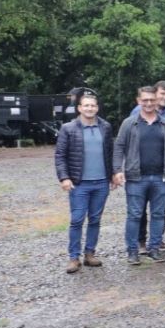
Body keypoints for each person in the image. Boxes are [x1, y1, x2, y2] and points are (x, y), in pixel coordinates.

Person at [113, 85, 165, 265]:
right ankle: (132, 251)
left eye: (152, 100)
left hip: (161, 178)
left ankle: (154, 248)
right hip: (136, 178)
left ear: (156, 100)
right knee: (134, 215)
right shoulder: (129, 123)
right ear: (138, 101)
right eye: (145, 100)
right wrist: (117, 170)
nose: (149, 103)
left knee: (158, 214)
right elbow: (119, 147)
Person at [54, 90, 114, 273]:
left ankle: (89, 254)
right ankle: (74, 257)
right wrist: (64, 177)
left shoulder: (105, 127)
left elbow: (110, 153)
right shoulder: (68, 129)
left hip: (101, 182)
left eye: (93, 105)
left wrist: (113, 174)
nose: (90, 108)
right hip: (79, 183)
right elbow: (60, 155)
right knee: (77, 220)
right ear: (79, 108)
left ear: (97, 108)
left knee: (95, 219)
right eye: (86, 105)